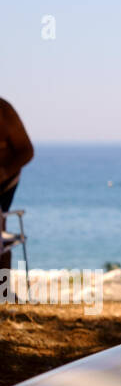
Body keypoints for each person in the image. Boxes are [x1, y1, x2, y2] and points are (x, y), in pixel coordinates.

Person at [0, 98, 35, 272]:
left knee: (1, 232)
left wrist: (4, 172)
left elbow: (27, 151)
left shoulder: (4, 112)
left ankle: (3, 291)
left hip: (5, 181)